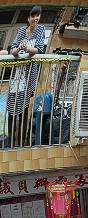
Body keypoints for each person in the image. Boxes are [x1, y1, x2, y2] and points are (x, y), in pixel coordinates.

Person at [6, 5, 45, 148]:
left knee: (24, 107)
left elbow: (40, 49)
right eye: (33, 16)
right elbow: (12, 51)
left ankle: (21, 141)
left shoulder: (41, 29)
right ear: (28, 18)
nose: (36, 18)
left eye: (38, 15)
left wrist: (27, 49)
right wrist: (18, 49)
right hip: (17, 74)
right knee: (12, 106)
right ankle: (10, 141)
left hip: (29, 75)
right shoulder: (22, 30)